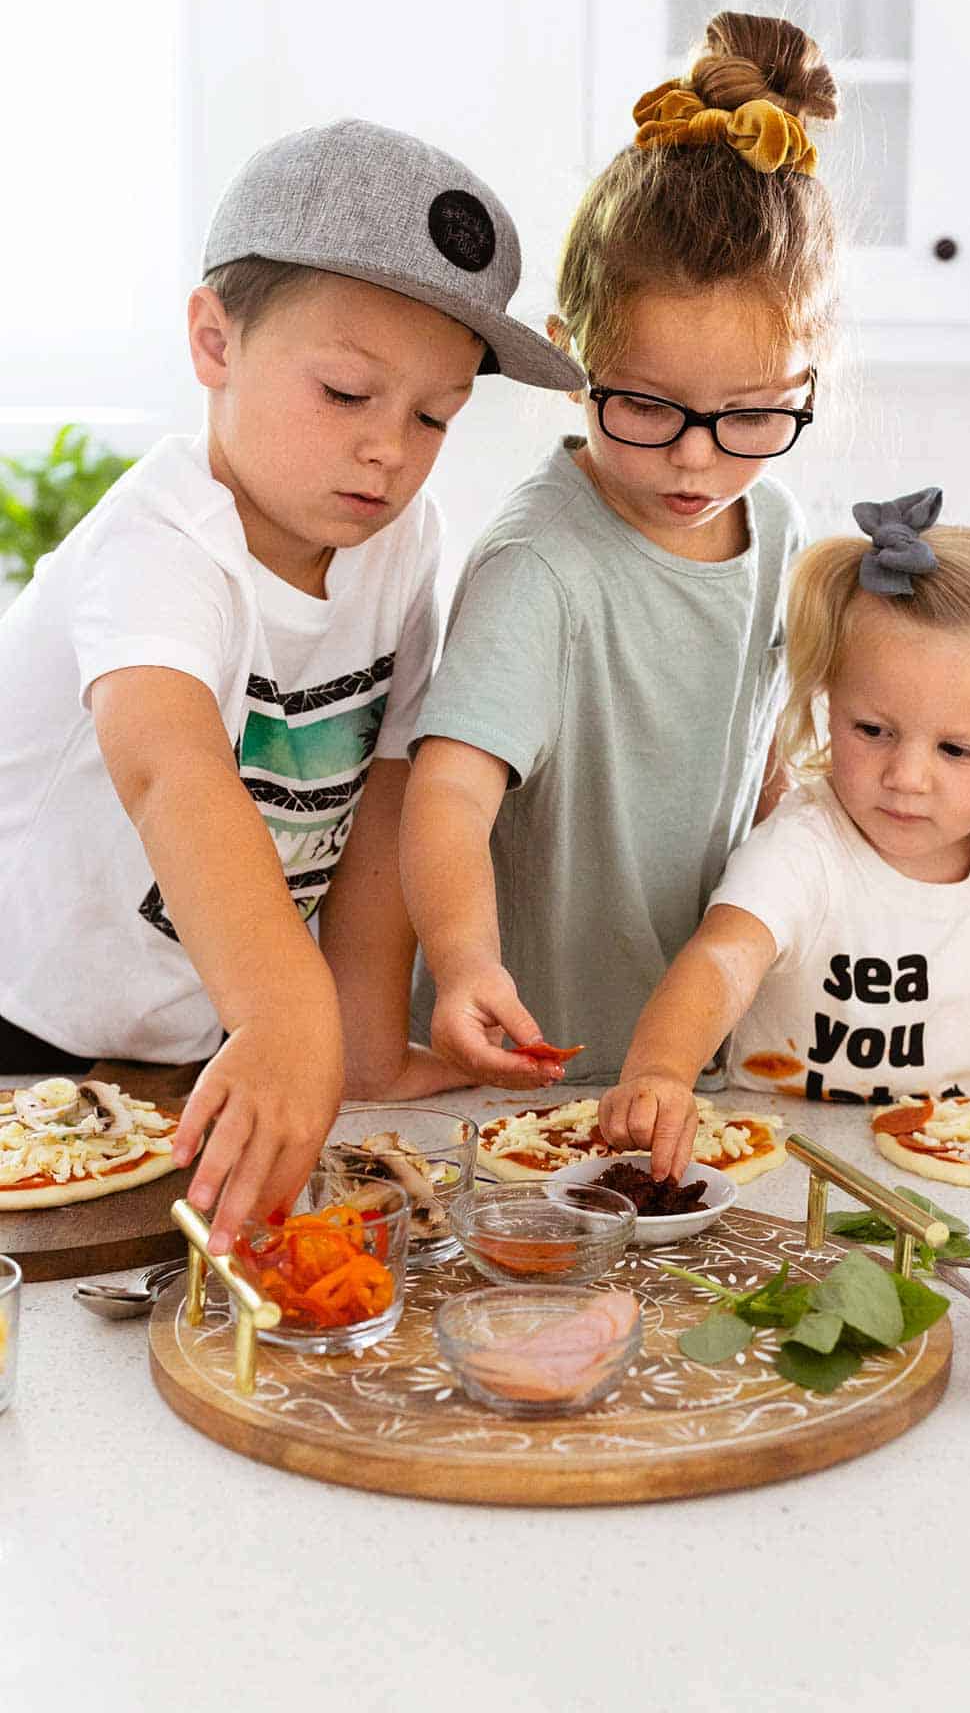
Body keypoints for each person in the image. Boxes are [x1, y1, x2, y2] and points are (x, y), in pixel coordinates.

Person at [0, 118, 581, 1251]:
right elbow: (171, 770)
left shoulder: (405, 545)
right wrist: (287, 1010)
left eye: (434, 417)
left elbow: (384, 799)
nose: (390, 451)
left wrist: (355, 1040)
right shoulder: (159, 545)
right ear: (214, 341)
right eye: (347, 394)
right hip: (25, 1033)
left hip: (208, 1038)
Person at [400, 11, 840, 1090]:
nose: (697, 462)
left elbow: (766, 767)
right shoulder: (541, 568)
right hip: (540, 1058)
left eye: (749, 416)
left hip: (697, 1059)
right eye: (647, 407)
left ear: (805, 377)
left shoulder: (776, 526)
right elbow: (448, 794)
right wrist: (464, 965)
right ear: (568, 359)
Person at [598, 491, 970, 1180]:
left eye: (956, 750)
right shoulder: (807, 848)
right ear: (829, 701)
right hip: (789, 1168)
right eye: (872, 731)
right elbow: (724, 957)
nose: (906, 777)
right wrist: (661, 1071)